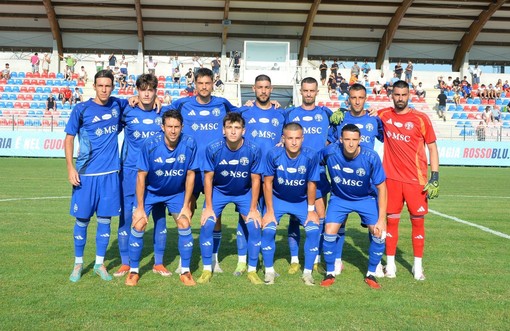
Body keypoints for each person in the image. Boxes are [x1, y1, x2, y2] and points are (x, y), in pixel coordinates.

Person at [169, 68, 240, 274]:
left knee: (214, 213)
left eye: (208, 83)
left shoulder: (222, 104)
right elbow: (163, 110)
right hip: (190, 168)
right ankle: (185, 262)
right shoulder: (182, 104)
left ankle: (214, 259)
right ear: (195, 84)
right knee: (187, 210)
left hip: (214, 170)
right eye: (200, 83)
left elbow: (242, 113)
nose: (204, 87)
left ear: (212, 84)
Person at [65, 69, 129, 282]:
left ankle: (100, 264)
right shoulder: (81, 109)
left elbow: (137, 103)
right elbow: (69, 139)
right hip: (86, 175)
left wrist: (143, 98)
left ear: (113, 87)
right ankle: (78, 263)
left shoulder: (118, 105)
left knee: (105, 221)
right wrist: (70, 167)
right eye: (100, 85)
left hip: (110, 174)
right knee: (82, 220)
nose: (104, 89)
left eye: (108, 86)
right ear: (94, 86)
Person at [126, 110, 198, 287]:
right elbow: (141, 176)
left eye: (176, 127)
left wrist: (187, 205)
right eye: (169, 127)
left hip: (175, 192)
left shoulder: (189, 144)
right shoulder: (150, 145)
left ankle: (186, 271)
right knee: (139, 223)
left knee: (184, 222)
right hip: (151, 192)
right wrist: (141, 207)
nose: (173, 131)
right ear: (162, 127)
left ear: (182, 127)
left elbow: (190, 175)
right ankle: (133, 271)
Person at [376, 80, 439, 281]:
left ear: (409, 95)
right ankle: (391, 265)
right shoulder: (383, 115)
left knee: (418, 223)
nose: (400, 98)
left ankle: (417, 267)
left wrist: (435, 176)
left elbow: (432, 147)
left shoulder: (421, 119)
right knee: (391, 223)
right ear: (391, 95)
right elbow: (362, 118)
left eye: (404, 95)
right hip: (391, 180)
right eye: (397, 95)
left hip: (416, 181)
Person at [197, 112, 263, 285]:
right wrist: (209, 207)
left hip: (244, 192)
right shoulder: (213, 148)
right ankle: (206, 269)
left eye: (237, 127)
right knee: (207, 224)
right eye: (229, 127)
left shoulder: (254, 149)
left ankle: (252, 270)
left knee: (255, 225)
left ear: (244, 130)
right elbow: (208, 179)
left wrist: (254, 208)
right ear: (223, 130)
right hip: (219, 192)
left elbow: (256, 180)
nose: (233, 131)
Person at [319, 124, 387, 289]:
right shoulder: (330, 152)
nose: (350, 144)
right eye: (347, 139)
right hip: (340, 198)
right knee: (329, 231)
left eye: (354, 140)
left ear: (360, 140)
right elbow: (315, 161)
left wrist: (382, 219)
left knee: (379, 233)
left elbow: (382, 188)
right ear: (340, 139)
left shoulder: (371, 157)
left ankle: (371, 273)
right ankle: (330, 272)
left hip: (366, 199)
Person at [114, 73, 167, 279]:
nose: (146, 93)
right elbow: (107, 102)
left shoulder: (163, 113)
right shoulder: (127, 109)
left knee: (159, 216)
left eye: (151, 90)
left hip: (156, 174)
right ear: (137, 90)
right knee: (127, 215)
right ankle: (125, 262)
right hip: (130, 172)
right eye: (142, 89)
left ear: (156, 92)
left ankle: (159, 263)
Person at [284, 77, 338, 275]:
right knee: (295, 217)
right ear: (301, 91)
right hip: (295, 173)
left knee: (320, 216)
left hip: (319, 173)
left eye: (311, 91)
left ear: (317, 92)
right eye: (305, 90)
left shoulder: (326, 114)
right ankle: (294, 259)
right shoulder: (290, 113)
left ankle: (315, 257)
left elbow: (337, 133)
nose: (308, 94)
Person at [329, 84, 384, 276]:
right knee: (339, 223)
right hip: (343, 181)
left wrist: (381, 114)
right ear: (348, 99)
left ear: (365, 98)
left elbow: (389, 138)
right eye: (353, 97)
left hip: (368, 184)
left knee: (374, 225)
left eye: (361, 97)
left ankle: (375, 263)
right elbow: (330, 144)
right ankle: (336, 261)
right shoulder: (341, 118)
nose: (358, 101)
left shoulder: (373, 119)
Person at [234, 74, 286, 277]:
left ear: (271, 89)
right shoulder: (244, 111)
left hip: (272, 175)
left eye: (266, 87)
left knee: (268, 217)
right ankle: (241, 261)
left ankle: (266, 260)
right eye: (259, 87)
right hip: (249, 174)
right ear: (253, 89)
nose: (263, 91)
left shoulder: (281, 114)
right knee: (245, 216)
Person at [261, 122, 321, 285]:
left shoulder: (311, 155)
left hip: (301, 201)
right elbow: (267, 183)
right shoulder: (273, 154)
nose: (294, 142)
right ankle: (269, 271)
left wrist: (310, 210)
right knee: (268, 230)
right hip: (278, 200)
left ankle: (307, 273)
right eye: (289, 138)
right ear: (283, 139)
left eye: (297, 138)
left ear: (303, 138)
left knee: (314, 230)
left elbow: (312, 183)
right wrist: (270, 211)